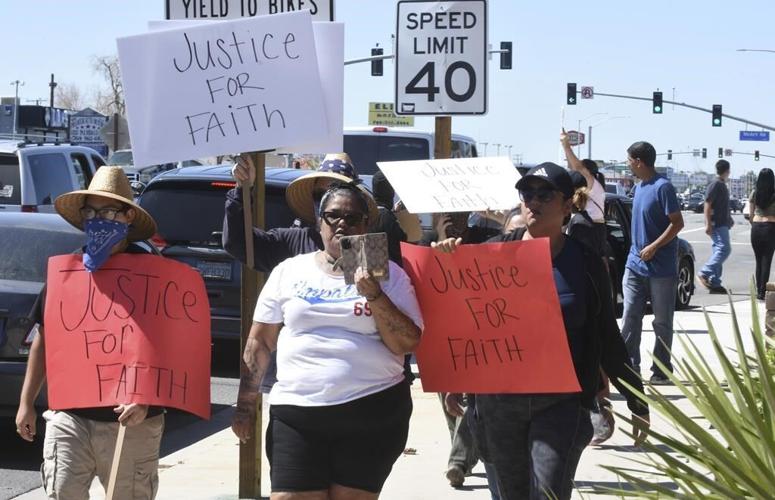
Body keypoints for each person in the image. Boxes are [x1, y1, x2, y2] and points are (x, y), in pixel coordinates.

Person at [439, 163, 649, 500]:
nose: (533, 201)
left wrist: (636, 399)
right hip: (499, 404)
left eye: (545, 194)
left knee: (549, 491)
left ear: (567, 206)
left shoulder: (585, 262)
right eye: (527, 193)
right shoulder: (492, 254)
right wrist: (447, 257)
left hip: (561, 403)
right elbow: (467, 322)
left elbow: (607, 334)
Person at [231, 182, 423, 499]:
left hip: (371, 411)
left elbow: (406, 344)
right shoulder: (289, 271)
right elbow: (260, 342)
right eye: (332, 216)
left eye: (352, 217)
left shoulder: (388, 273)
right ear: (319, 223)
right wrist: (244, 406)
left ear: (366, 225)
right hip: (297, 412)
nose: (342, 224)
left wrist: (375, 294)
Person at [15, 166, 165, 499]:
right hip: (70, 416)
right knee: (61, 492)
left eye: (108, 211)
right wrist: (26, 402)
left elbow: (171, 347)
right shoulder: (66, 272)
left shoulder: (154, 276)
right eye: (91, 211)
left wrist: (146, 398)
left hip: (132, 424)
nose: (98, 219)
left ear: (127, 217)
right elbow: (46, 337)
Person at [223, 153, 380, 392]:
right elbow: (239, 243)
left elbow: (391, 321)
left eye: (337, 191)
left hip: (360, 390)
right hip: (294, 388)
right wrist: (241, 191)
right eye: (320, 195)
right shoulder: (293, 241)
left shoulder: (367, 250)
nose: (330, 201)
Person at [621, 142, 684, 384]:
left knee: (661, 321)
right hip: (634, 264)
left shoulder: (663, 187)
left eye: (628, 159)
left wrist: (654, 246)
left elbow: (677, 223)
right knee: (630, 316)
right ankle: (629, 366)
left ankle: (661, 369)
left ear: (638, 161)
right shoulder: (638, 187)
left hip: (661, 269)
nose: (627, 163)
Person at [561, 129, 607, 251]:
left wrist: (566, 145)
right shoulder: (590, 187)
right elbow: (573, 166)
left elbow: (578, 167)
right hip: (586, 230)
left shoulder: (594, 184)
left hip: (590, 232)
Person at [370, 169, 422, 265]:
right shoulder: (386, 217)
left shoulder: (369, 212)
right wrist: (407, 222)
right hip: (392, 269)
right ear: (390, 192)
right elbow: (402, 240)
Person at [697, 159, 733, 294]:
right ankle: (704, 272)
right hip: (716, 224)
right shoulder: (716, 184)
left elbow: (722, 206)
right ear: (727, 171)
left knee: (718, 251)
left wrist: (729, 218)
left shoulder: (722, 185)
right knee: (724, 249)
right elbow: (707, 204)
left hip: (722, 223)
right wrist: (707, 223)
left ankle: (715, 282)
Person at [748, 168, 775, 300]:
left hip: (756, 227)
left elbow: (751, 214)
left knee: (758, 261)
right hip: (770, 227)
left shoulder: (754, 193)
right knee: (766, 261)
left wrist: (754, 224)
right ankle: (762, 292)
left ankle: (759, 290)